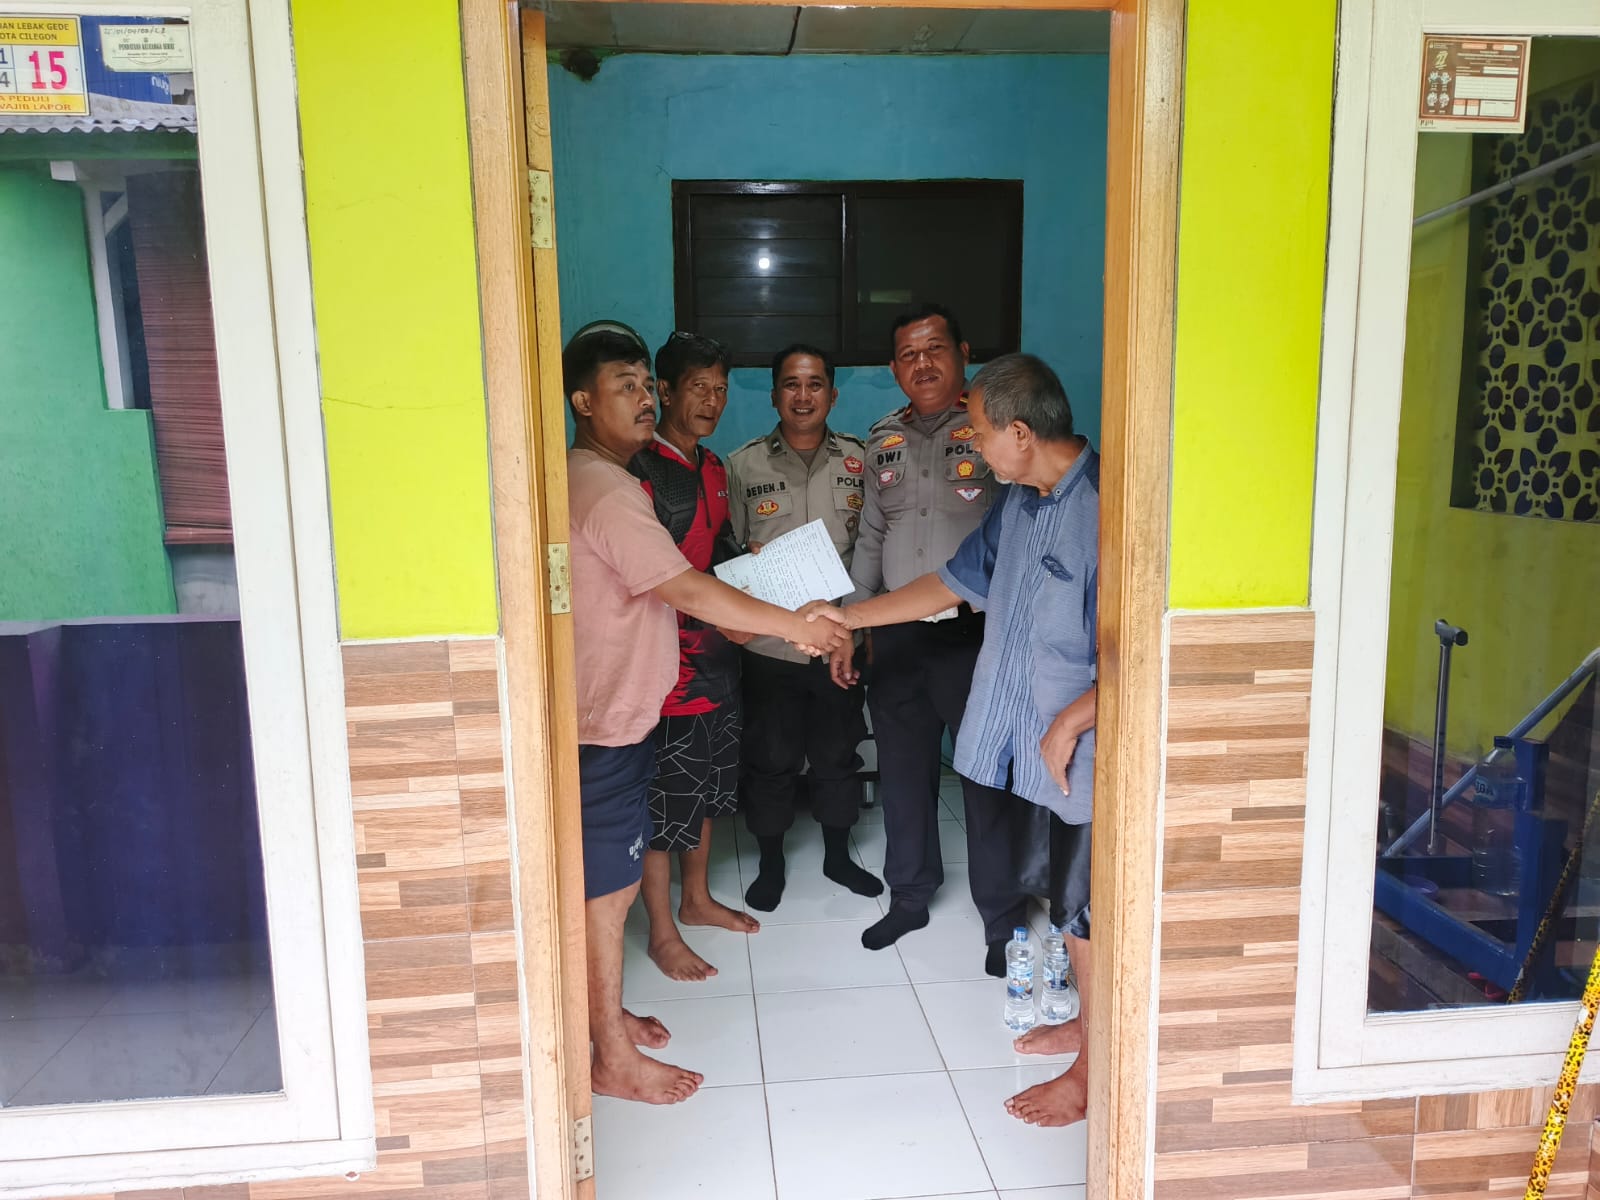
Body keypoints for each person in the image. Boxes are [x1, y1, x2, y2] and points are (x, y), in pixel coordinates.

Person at [809, 352, 1098, 1127]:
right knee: (1068, 897)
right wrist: (847, 618)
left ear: (1020, 433)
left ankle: (1092, 1071)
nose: (972, 444)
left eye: (978, 432)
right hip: (1024, 734)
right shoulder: (1020, 503)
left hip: (1078, 751)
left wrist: (1076, 716)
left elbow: (1147, 647)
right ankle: (1087, 1026)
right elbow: (951, 584)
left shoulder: (1108, 507)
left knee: (1086, 901)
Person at [564, 327, 847, 1105]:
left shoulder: (627, 476)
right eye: (626, 386)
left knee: (607, 882)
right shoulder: (611, 488)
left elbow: (709, 565)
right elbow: (685, 587)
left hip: (629, 709)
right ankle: (611, 1056)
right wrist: (796, 626)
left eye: (642, 384)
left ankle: (601, 1018)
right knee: (607, 893)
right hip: (607, 723)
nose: (643, 399)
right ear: (583, 401)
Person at [839, 304, 1002, 958]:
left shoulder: (992, 429)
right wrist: (852, 626)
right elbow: (871, 537)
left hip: (976, 635)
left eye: (935, 348)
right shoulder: (883, 438)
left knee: (986, 778)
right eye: (908, 354)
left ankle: (1001, 915)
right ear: (893, 368)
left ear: (963, 353)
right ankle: (909, 895)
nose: (922, 363)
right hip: (897, 637)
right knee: (904, 773)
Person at [725, 344, 883, 911]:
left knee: (838, 755)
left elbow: (870, 550)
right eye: (791, 384)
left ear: (832, 395)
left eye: (815, 384)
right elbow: (730, 552)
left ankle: (838, 856)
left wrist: (858, 635)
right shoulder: (742, 465)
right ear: (774, 395)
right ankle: (771, 862)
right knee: (770, 759)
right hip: (771, 649)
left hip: (840, 646)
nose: (803, 395)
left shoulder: (860, 461)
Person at [627, 331, 761, 982]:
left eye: (721, 388)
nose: (712, 400)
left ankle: (697, 899)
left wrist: (748, 567)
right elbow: (652, 575)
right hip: (665, 668)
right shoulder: (638, 470)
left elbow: (719, 547)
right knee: (665, 801)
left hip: (717, 658)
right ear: (665, 390)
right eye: (699, 387)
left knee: (706, 789)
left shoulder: (713, 468)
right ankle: (660, 932)